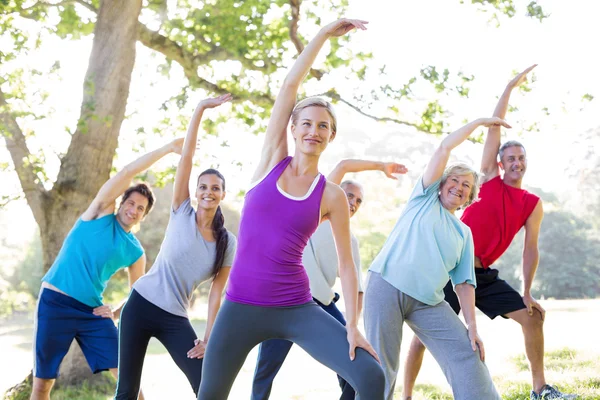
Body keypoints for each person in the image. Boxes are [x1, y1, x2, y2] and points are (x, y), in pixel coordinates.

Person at [196, 18, 385, 400]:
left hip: (295, 306)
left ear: (331, 136)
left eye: (323, 126)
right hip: (240, 307)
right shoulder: (271, 162)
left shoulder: (331, 195)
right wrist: (323, 35)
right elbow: (288, 87)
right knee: (209, 396)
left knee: (371, 376)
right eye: (307, 123)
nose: (314, 131)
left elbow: (348, 265)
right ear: (294, 128)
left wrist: (352, 324)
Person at [402, 65, 577, 400]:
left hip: (481, 274)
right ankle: (406, 396)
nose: (516, 162)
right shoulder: (486, 181)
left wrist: (527, 292)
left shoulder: (532, 203)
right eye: (509, 158)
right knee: (421, 337)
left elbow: (530, 250)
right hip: (450, 271)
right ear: (500, 163)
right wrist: (510, 87)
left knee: (533, 317)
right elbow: (494, 130)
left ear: (525, 162)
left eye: (520, 158)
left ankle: (540, 389)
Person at [364, 116, 511, 400]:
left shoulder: (463, 233)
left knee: (468, 354)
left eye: (466, 185)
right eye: (454, 180)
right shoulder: (423, 198)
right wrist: (479, 123)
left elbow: (465, 284)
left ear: (470, 197)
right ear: (441, 184)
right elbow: (444, 148)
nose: (458, 186)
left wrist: (472, 327)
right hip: (386, 286)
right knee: (383, 368)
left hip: (427, 302)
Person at [31, 139, 183, 400]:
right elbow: (126, 173)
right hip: (55, 303)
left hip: (91, 313)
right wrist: (168, 149)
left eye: (140, 209)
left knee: (128, 380)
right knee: (43, 385)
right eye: (131, 203)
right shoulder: (99, 213)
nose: (133, 210)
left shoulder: (135, 252)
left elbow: (139, 295)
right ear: (121, 202)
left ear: (143, 217)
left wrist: (113, 312)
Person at [251, 159, 407, 400]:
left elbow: (357, 288)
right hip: (284, 301)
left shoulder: (350, 241)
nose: (353, 203)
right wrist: (381, 166)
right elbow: (343, 164)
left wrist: (352, 325)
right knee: (265, 371)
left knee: (356, 361)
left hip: (321, 305)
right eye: (349, 195)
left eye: (358, 201)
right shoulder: (314, 212)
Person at [114, 95, 237, 399]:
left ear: (223, 194)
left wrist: (208, 338)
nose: (209, 192)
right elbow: (186, 158)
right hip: (140, 305)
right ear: (195, 192)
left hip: (174, 317)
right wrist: (200, 109)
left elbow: (217, 294)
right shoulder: (181, 211)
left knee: (206, 385)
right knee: (127, 391)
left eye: (215, 188)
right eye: (203, 187)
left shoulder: (228, 242)